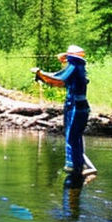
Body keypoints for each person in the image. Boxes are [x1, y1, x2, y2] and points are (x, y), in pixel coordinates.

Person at [33, 44, 96, 188]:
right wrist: (42, 76)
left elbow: (59, 79)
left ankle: (74, 167)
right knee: (74, 137)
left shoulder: (74, 66)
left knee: (72, 137)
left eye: (67, 57)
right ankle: (78, 167)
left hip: (76, 107)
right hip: (76, 106)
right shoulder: (77, 67)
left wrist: (40, 73)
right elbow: (58, 79)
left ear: (71, 57)